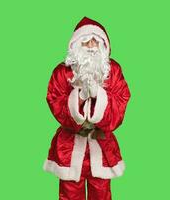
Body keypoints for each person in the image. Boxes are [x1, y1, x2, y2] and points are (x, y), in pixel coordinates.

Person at [43, 16, 131, 200]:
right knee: (69, 192)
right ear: (76, 45)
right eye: (85, 41)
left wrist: (100, 96)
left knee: (101, 193)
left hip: (102, 145)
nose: (91, 46)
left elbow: (121, 103)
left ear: (103, 46)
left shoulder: (112, 71)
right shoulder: (62, 72)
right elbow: (54, 101)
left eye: (95, 41)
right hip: (69, 146)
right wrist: (79, 97)